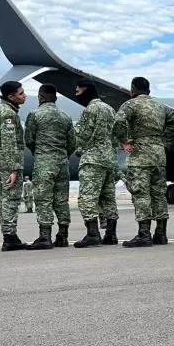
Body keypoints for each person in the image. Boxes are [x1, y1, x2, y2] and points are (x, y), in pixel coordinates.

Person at [113, 76, 174, 247]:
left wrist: (124, 140)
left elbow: (118, 122)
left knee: (141, 194)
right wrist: (163, 143)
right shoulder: (161, 106)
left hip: (140, 156)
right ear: (149, 91)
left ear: (132, 90)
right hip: (158, 156)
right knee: (159, 194)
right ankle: (161, 234)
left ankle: (144, 234)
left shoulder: (131, 104)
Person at [24, 84, 76, 249]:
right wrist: (62, 154)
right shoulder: (65, 116)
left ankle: (45, 237)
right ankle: (63, 236)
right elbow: (72, 143)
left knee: (43, 199)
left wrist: (39, 152)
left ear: (40, 97)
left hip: (44, 162)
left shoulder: (35, 115)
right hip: (62, 162)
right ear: (55, 98)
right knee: (61, 200)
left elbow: (29, 140)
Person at [73, 79, 119, 247]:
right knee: (108, 199)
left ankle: (93, 234)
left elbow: (82, 135)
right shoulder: (109, 109)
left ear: (87, 91)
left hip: (92, 160)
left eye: (78, 92)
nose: (76, 95)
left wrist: (79, 123)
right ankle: (111, 234)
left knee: (87, 199)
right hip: (109, 160)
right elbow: (115, 136)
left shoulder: (90, 110)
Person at [0, 81, 28, 251]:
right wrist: (14, 168)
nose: (24, 95)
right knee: (10, 201)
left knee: (4, 202)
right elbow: (9, 142)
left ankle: (10, 235)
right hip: (6, 164)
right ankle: (10, 238)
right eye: (21, 93)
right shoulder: (8, 114)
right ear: (10, 97)